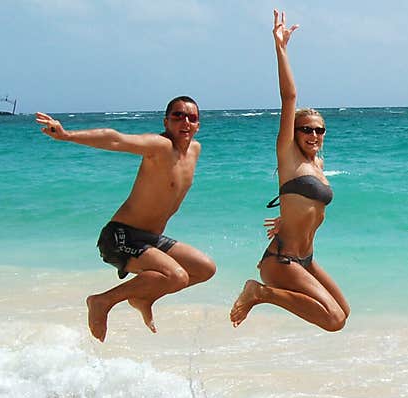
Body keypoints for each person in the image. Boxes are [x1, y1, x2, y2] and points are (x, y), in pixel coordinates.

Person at [35, 97, 215, 343]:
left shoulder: (195, 149)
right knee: (177, 276)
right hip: (120, 236)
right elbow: (115, 138)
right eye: (177, 116)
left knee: (204, 269)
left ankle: (143, 297)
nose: (185, 122)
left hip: (150, 240)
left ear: (198, 125)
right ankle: (102, 301)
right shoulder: (159, 145)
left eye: (191, 118)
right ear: (166, 121)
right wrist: (67, 135)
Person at [229, 10, 349, 332]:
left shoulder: (317, 165)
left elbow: (304, 206)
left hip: (306, 258)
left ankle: (266, 292)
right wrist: (281, 49)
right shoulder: (288, 157)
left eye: (319, 130)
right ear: (294, 134)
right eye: (306, 130)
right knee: (333, 320)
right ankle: (261, 292)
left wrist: (287, 217)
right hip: (281, 260)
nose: (313, 135)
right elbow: (289, 97)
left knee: (344, 311)